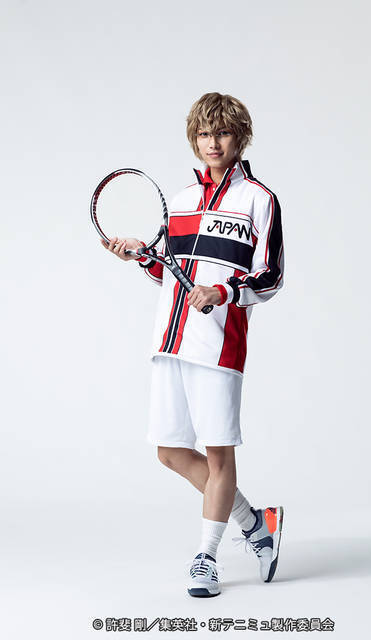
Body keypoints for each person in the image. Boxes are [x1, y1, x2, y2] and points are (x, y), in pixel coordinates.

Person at [101, 92, 285, 597]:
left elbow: (270, 276)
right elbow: (170, 273)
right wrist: (141, 255)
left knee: (218, 456)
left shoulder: (259, 200)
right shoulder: (181, 201)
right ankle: (257, 523)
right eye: (204, 134)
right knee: (169, 451)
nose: (212, 143)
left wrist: (223, 292)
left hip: (219, 346)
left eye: (222, 133)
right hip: (170, 341)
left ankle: (207, 556)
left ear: (239, 136)